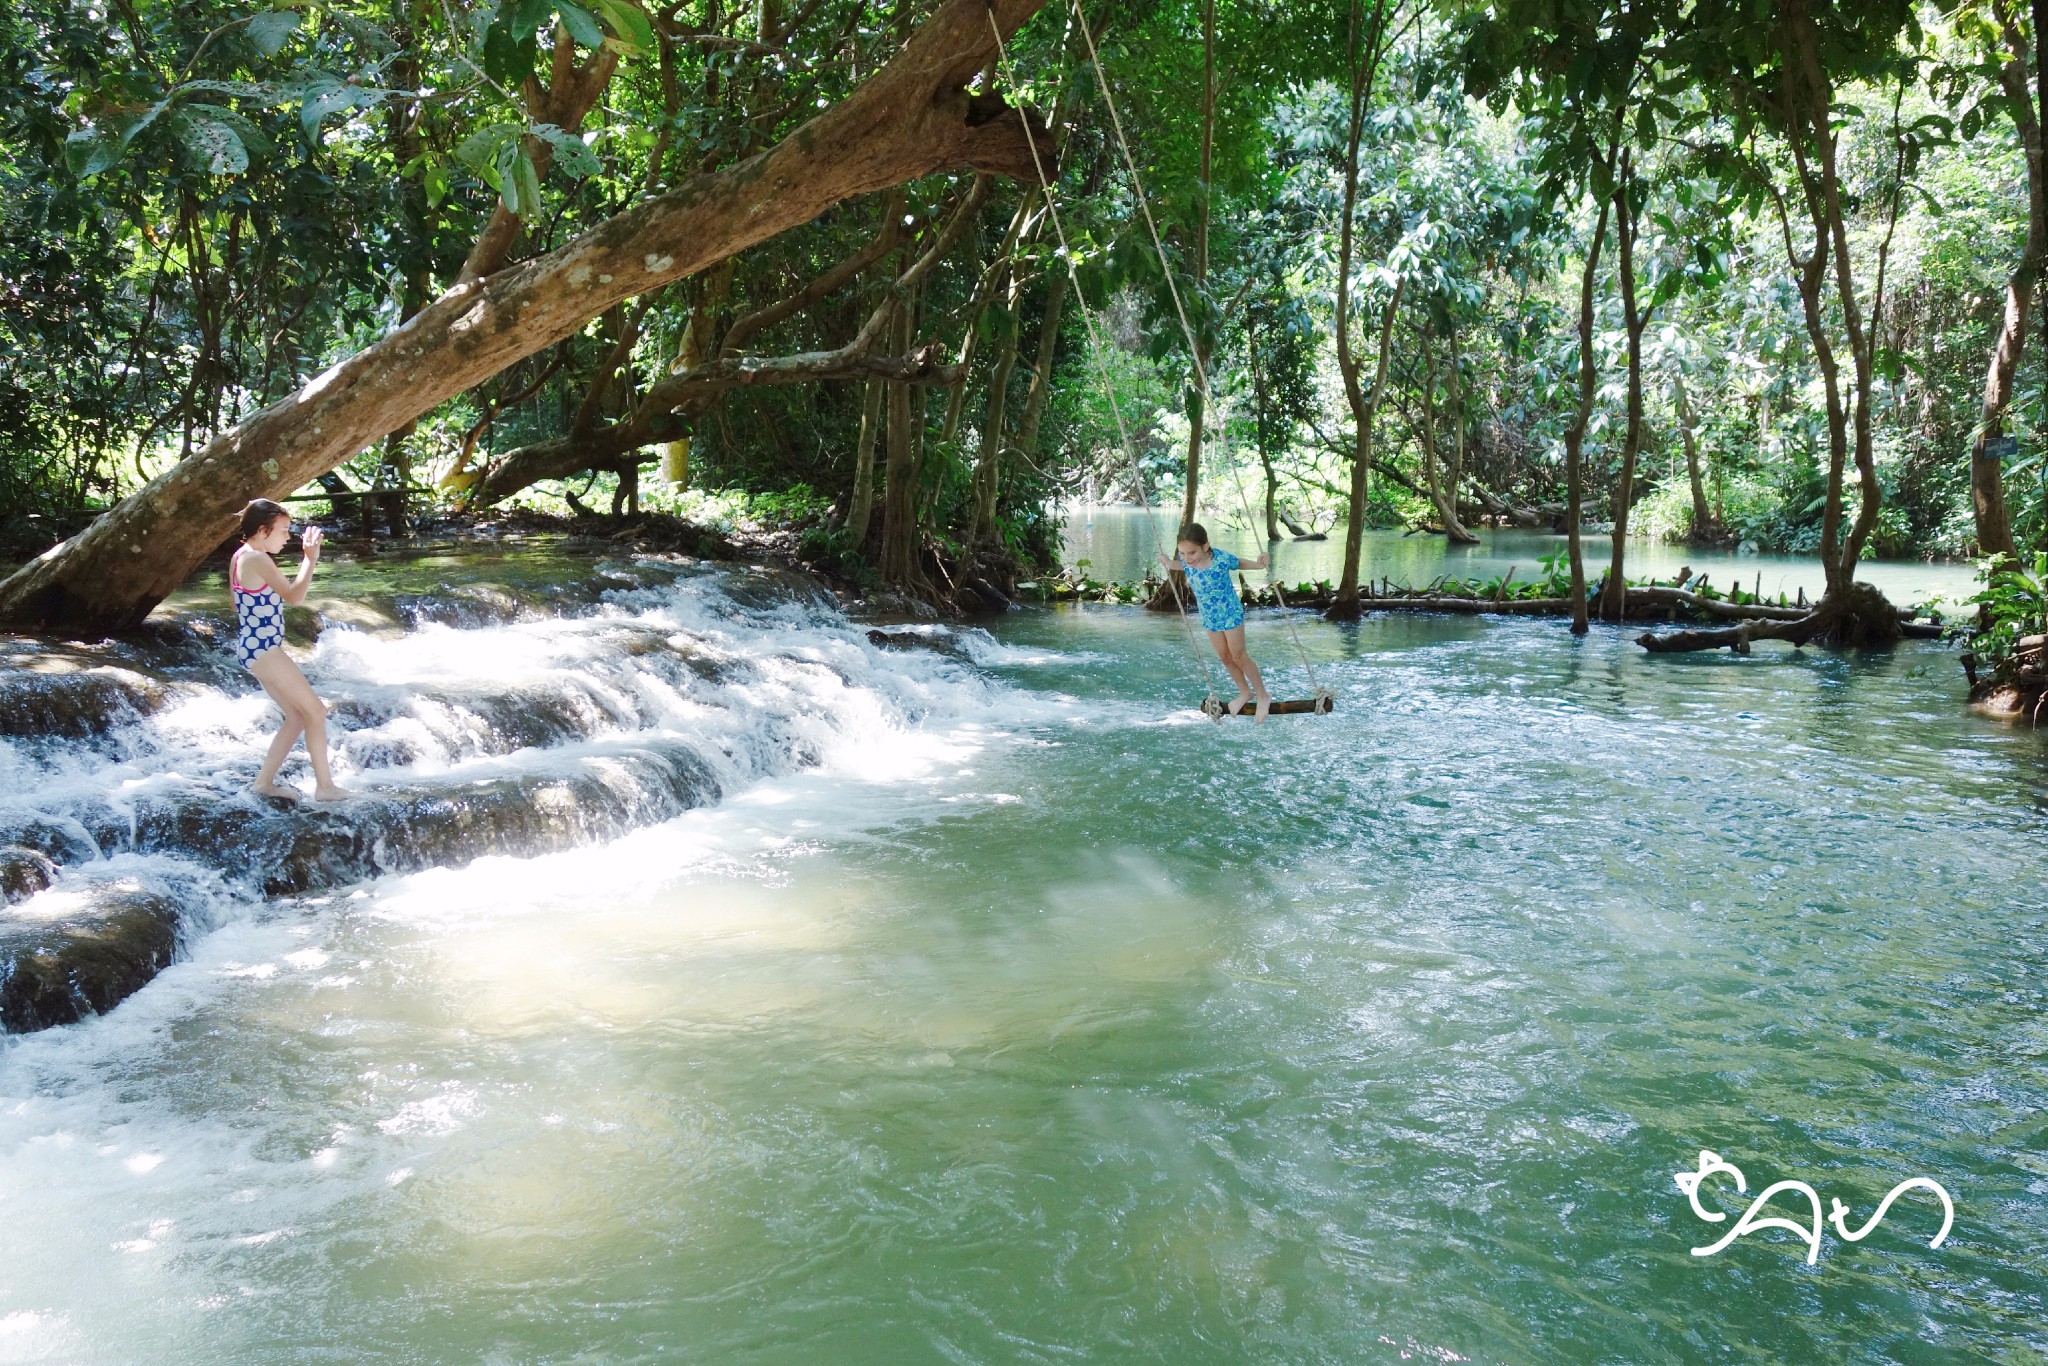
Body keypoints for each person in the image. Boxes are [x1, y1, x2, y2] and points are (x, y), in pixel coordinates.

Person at [229, 499, 352, 801]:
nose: (288, 537)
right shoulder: (258, 558)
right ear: (262, 530)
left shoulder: (240, 556)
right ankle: (325, 787)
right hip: (263, 649)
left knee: (297, 718)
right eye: (283, 530)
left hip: (253, 646)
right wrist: (310, 558)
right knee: (316, 711)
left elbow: (236, 603)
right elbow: (295, 597)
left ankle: (264, 783)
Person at [1158, 521, 1273, 721]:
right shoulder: (1188, 563)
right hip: (1210, 617)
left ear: (1205, 546)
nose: (1187, 558)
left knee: (1238, 656)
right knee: (1225, 657)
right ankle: (1245, 692)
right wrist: (1169, 562)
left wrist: (1258, 565)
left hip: (1229, 613)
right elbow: (1181, 565)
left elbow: (1239, 563)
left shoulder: (1219, 559)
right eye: (1182, 553)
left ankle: (1263, 695)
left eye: (1191, 553)